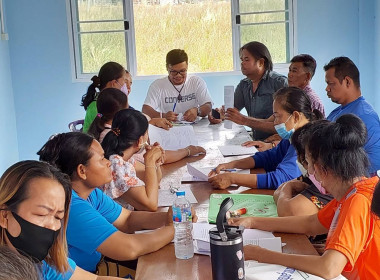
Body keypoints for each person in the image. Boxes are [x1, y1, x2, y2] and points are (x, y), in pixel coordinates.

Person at [229, 114, 380, 280]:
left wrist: (261, 254)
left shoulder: (358, 201)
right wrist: (253, 221)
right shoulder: (356, 191)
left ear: (320, 167)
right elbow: (311, 223)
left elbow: (328, 268)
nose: (309, 172)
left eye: (307, 162)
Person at [37, 132, 186, 275]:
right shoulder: (71, 206)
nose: (108, 163)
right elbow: (128, 248)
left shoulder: (91, 193)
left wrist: (171, 216)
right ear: (82, 171)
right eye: (102, 159)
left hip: (97, 268)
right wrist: (175, 229)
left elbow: (128, 219)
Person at [0, 160, 121, 279]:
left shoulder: (44, 264)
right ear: (4, 216)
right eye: (42, 214)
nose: (52, 226)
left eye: (58, 217)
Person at [208, 87, 323, 190]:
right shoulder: (293, 137)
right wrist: (232, 165)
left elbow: (280, 179)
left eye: (277, 116)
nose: (275, 122)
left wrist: (233, 178)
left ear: (296, 116)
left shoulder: (306, 141)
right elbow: (269, 157)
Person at [220, 41, 288, 141]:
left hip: (276, 143)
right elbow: (233, 109)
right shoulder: (244, 85)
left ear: (261, 62)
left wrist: (244, 120)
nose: (242, 63)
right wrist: (223, 113)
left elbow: (285, 127)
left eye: (246, 59)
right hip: (255, 140)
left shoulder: (279, 83)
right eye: (241, 60)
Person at [324, 56, 380, 174]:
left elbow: (375, 162)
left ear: (347, 82)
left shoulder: (365, 116)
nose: (327, 88)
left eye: (331, 83)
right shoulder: (336, 112)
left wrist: (337, 174)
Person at [101, 109, 164, 211]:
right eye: (147, 134)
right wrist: (150, 162)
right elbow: (150, 205)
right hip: (116, 225)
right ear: (140, 141)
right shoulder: (117, 166)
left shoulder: (123, 158)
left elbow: (154, 182)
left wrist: (155, 164)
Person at [273, 120, 334, 217]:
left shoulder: (327, 185)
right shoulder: (313, 178)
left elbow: (287, 212)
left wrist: (288, 187)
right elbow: (277, 194)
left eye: (306, 159)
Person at [142, 49, 212, 122]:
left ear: (187, 67)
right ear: (167, 68)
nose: (178, 75)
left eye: (182, 71)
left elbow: (208, 106)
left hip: (195, 127)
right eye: (174, 72)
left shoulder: (196, 82)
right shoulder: (157, 85)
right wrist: (163, 116)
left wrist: (197, 111)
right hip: (168, 128)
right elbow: (146, 109)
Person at [81, 62, 129, 133]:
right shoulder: (98, 106)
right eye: (124, 81)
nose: (126, 86)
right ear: (114, 83)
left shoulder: (111, 102)